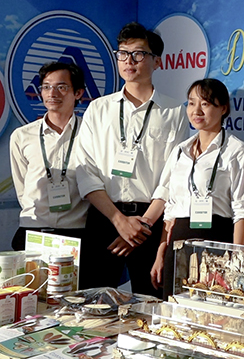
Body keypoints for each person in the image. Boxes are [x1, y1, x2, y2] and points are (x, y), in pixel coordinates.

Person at [75, 22, 188, 296]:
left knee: (151, 307)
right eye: (123, 54)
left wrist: (144, 225)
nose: (129, 61)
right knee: (94, 303)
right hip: (105, 219)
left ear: (157, 61)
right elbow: (85, 170)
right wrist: (119, 221)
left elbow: (175, 175)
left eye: (138, 54)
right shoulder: (98, 109)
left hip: (150, 224)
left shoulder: (174, 111)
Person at [150, 78, 244, 299]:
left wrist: (237, 260)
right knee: (174, 312)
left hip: (216, 240)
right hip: (178, 240)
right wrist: (161, 252)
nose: (196, 110)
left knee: (211, 314)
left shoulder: (237, 150)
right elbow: (170, 208)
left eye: (205, 103)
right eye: (191, 103)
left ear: (223, 108)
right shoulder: (180, 150)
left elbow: (241, 209)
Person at [10, 62, 88, 251]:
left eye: (61, 87)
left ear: (77, 93)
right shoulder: (22, 136)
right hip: (33, 231)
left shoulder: (91, 134)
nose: (52, 93)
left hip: (77, 233)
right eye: (46, 87)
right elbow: (22, 187)